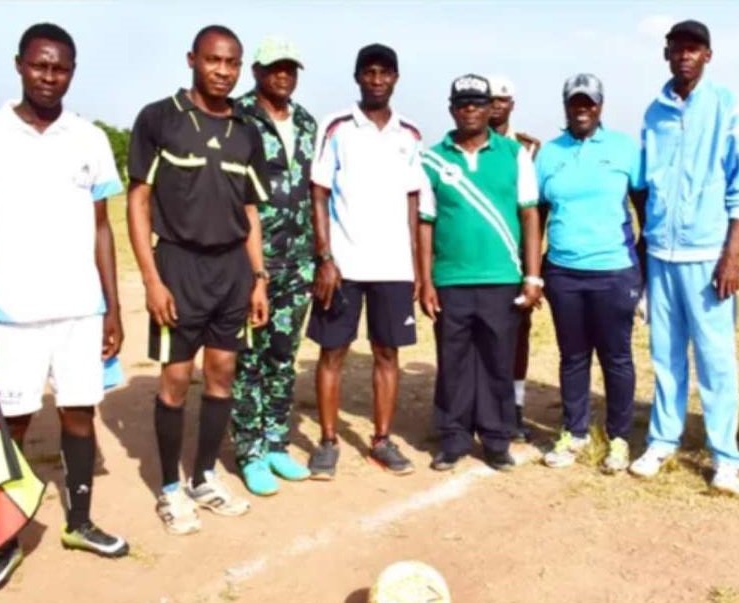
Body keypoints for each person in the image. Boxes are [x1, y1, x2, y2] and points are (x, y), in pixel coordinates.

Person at [0, 23, 128, 592]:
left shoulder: (87, 139)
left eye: (59, 68)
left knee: (79, 412)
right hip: (8, 313)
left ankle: (80, 523)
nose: (48, 76)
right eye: (39, 65)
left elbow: (103, 229)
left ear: (72, 72)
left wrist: (112, 308)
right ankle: (5, 541)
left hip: (79, 311)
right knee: (9, 424)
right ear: (19, 65)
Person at [127, 24, 270, 535]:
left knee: (223, 372)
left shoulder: (247, 131)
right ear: (193, 59)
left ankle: (204, 477)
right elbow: (139, 198)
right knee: (175, 379)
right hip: (180, 266)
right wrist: (151, 278)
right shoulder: (159, 119)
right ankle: (170, 487)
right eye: (213, 60)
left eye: (232, 63)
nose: (223, 71)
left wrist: (259, 278)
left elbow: (249, 208)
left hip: (233, 268)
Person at [627, 21, 739, 493]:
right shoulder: (654, 112)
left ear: (708, 55)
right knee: (665, 354)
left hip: (709, 253)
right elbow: (643, 184)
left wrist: (732, 253)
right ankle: (662, 440)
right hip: (662, 253)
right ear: (666, 55)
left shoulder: (728, 106)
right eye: (677, 49)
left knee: (716, 359)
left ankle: (726, 456)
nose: (685, 56)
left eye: (694, 49)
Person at [307, 43, 422, 478]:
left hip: (392, 267)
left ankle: (382, 440)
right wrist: (325, 257)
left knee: (386, 353)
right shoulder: (337, 127)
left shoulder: (409, 134)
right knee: (333, 351)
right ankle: (328, 442)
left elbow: (413, 201)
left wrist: (414, 266)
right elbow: (319, 192)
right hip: (345, 265)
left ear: (395, 78)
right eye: (369, 72)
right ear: (357, 77)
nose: (376, 80)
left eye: (384, 73)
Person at [418, 74, 542, 472]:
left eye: (478, 103)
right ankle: (453, 437)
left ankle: (495, 439)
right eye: (463, 103)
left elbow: (529, 214)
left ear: (491, 108)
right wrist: (425, 281)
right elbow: (425, 222)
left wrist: (533, 276)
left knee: (496, 360)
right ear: (452, 108)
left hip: (502, 277)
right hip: (451, 279)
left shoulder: (514, 155)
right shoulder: (432, 157)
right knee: (452, 360)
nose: (470, 109)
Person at [535, 74, 644, 474]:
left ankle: (618, 438)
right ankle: (574, 431)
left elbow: (644, 209)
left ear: (601, 106)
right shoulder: (548, 154)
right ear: (565, 105)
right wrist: (538, 270)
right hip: (564, 273)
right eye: (575, 102)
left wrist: (640, 272)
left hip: (614, 271)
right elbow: (539, 214)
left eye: (589, 103)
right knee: (573, 357)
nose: (582, 109)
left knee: (617, 358)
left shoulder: (624, 149)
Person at [230, 36, 317, 496]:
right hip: (251, 259)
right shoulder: (237, 117)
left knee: (283, 358)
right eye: (274, 68)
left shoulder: (306, 121)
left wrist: (320, 256)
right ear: (257, 72)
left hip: (297, 261)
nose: (283, 76)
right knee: (247, 359)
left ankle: (276, 442)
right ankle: (249, 451)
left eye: (290, 68)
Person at [487, 74, 541, 442]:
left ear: (512, 105)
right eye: (488, 99)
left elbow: (538, 209)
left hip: (518, 258)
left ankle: (515, 405)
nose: (494, 105)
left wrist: (534, 267)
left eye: (501, 100)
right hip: (479, 258)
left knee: (517, 335)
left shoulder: (529, 149)